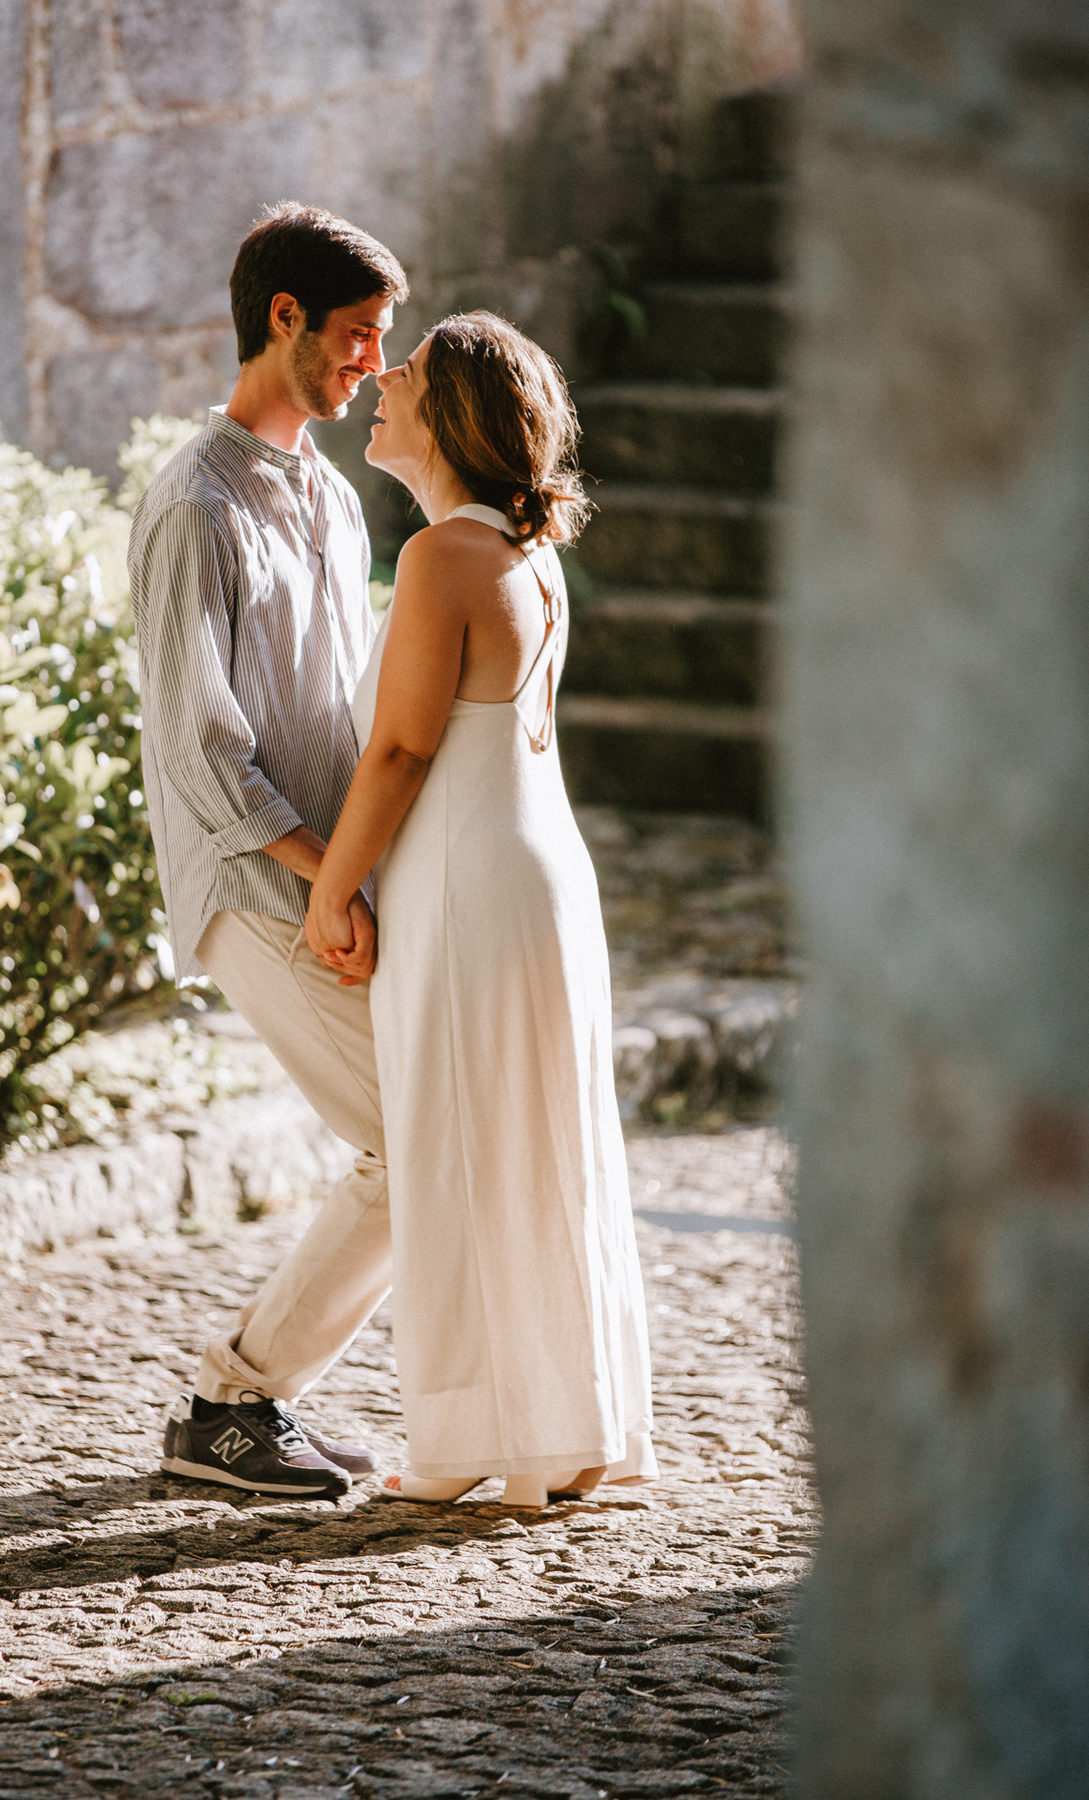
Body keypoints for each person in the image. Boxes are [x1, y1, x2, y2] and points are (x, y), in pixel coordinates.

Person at [304, 312, 658, 1506]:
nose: (377, 392)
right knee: (545, 1152)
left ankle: (474, 1445)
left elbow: (400, 750)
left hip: (466, 885)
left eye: (399, 379)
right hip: (542, 875)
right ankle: (571, 1431)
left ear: (450, 417)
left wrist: (331, 891)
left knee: (462, 1152)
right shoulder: (522, 551)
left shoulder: (441, 558)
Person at [128, 202, 410, 1501]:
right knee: (413, 1146)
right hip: (255, 886)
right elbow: (203, 749)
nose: (371, 363)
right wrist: (327, 878)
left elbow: (349, 711)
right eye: (356, 335)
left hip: (335, 880)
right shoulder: (195, 504)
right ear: (283, 318)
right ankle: (232, 1405)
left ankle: (253, 1402)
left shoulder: (332, 495)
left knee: (417, 1139)